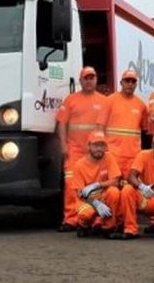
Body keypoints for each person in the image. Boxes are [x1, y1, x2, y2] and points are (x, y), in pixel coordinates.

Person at [56, 66, 108, 231]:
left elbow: (103, 127)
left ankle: (96, 219)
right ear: (80, 80)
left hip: (95, 152)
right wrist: (63, 145)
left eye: (92, 77)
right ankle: (71, 219)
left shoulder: (103, 101)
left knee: (95, 185)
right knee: (71, 183)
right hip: (75, 150)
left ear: (96, 80)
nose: (89, 80)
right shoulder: (70, 100)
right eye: (86, 78)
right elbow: (62, 124)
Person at [69, 131, 121, 237]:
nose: (99, 149)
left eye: (102, 145)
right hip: (87, 200)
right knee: (86, 214)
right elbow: (80, 193)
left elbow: (115, 181)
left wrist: (97, 185)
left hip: (103, 197)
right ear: (89, 146)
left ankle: (108, 228)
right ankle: (83, 225)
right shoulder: (79, 165)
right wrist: (96, 203)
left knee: (114, 192)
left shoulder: (109, 157)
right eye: (96, 145)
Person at [98, 69, 149, 179]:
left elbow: (145, 132)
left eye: (133, 81)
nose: (130, 84)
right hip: (112, 155)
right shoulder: (109, 101)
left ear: (136, 84)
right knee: (112, 190)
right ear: (121, 83)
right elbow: (100, 127)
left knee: (129, 190)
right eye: (127, 81)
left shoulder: (141, 105)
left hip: (133, 157)